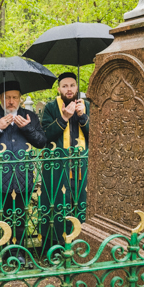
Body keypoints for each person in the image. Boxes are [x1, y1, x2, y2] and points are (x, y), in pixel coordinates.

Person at [0, 81, 48, 262]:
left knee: (19, 219)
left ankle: (18, 253)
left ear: (20, 98)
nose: (11, 101)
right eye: (7, 97)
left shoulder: (29, 116)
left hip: (22, 177)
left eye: (14, 97)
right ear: (0, 98)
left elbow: (41, 142)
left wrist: (27, 128)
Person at [40, 72, 90, 250]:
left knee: (81, 203)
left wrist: (83, 116)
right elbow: (45, 136)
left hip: (82, 167)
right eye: (65, 86)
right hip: (58, 167)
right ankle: (56, 245)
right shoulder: (51, 107)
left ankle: (81, 243)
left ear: (77, 87)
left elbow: (97, 136)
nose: (69, 89)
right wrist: (64, 118)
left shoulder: (86, 106)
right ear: (59, 89)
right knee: (57, 203)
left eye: (72, 85)